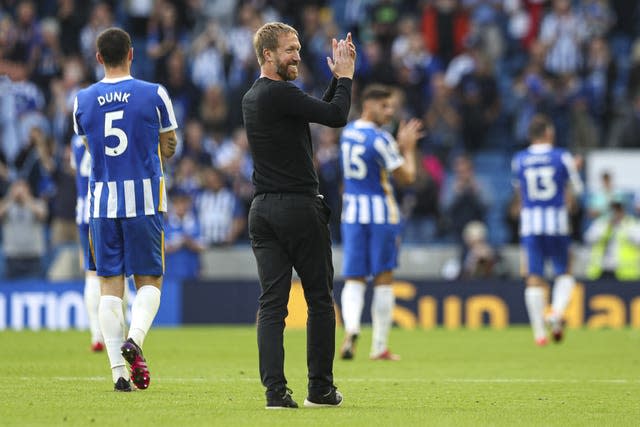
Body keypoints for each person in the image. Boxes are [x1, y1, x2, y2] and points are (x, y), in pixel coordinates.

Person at [242, 22, 355, 409]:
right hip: (298, 208)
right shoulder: (282, 93)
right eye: (290, 50)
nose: (297, 56)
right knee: (321, 300)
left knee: (271, 305)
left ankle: (275, 393)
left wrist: (334, 81)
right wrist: (345, 78)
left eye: (298, 49)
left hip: (263, 210)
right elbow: (336, 115)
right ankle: (320, 390)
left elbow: (315, 111)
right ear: (268, 55)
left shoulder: (255, 96)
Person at [73, 27, 178, 391]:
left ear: (98, 57)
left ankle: (119, 372)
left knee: (108, 288)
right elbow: (170, 144)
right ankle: (135, 339)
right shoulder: (154, 94)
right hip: (144, 199)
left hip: (101, 205)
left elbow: (90, 148)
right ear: (132, 54)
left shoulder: (82, 101)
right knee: (150, 280)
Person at [338, 84, 423, 362]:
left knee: (354, 278)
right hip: (381, 215)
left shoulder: (347, 134)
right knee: (384, 278)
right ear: (369, 104)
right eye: (385, 107)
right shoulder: (380, 139)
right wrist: (408, 149)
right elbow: (407, 177)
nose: (390, 112)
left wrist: (395, 148)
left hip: (351, 214)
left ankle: (351, 329)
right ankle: (379, 347)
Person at [511, 114, 583, 346]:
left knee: (533, 277)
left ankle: (539, 334)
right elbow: (576, 191)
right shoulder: (561, 156)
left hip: (530, 224)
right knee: (564, 271)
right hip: (557, 223)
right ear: (549, 133)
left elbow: (519, 194)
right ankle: (556, 311)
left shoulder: (519, 159)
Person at [69, 134, 129, 352]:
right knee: (117, 273)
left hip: (83, 209)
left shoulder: (76, 142)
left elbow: (76, 170)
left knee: (91, 271)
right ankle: (120, 334)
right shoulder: (110, 134)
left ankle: (96, 334)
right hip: (108, 206)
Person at [584, 197, 640, 281]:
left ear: (623, 210)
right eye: (613, 209)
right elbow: (588, 239)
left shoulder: (632, 224)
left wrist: (623, 227)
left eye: (618, 209)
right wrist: (607, 228)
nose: (616, 212)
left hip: (624, 272)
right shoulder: (601, 223)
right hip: (601, 269)